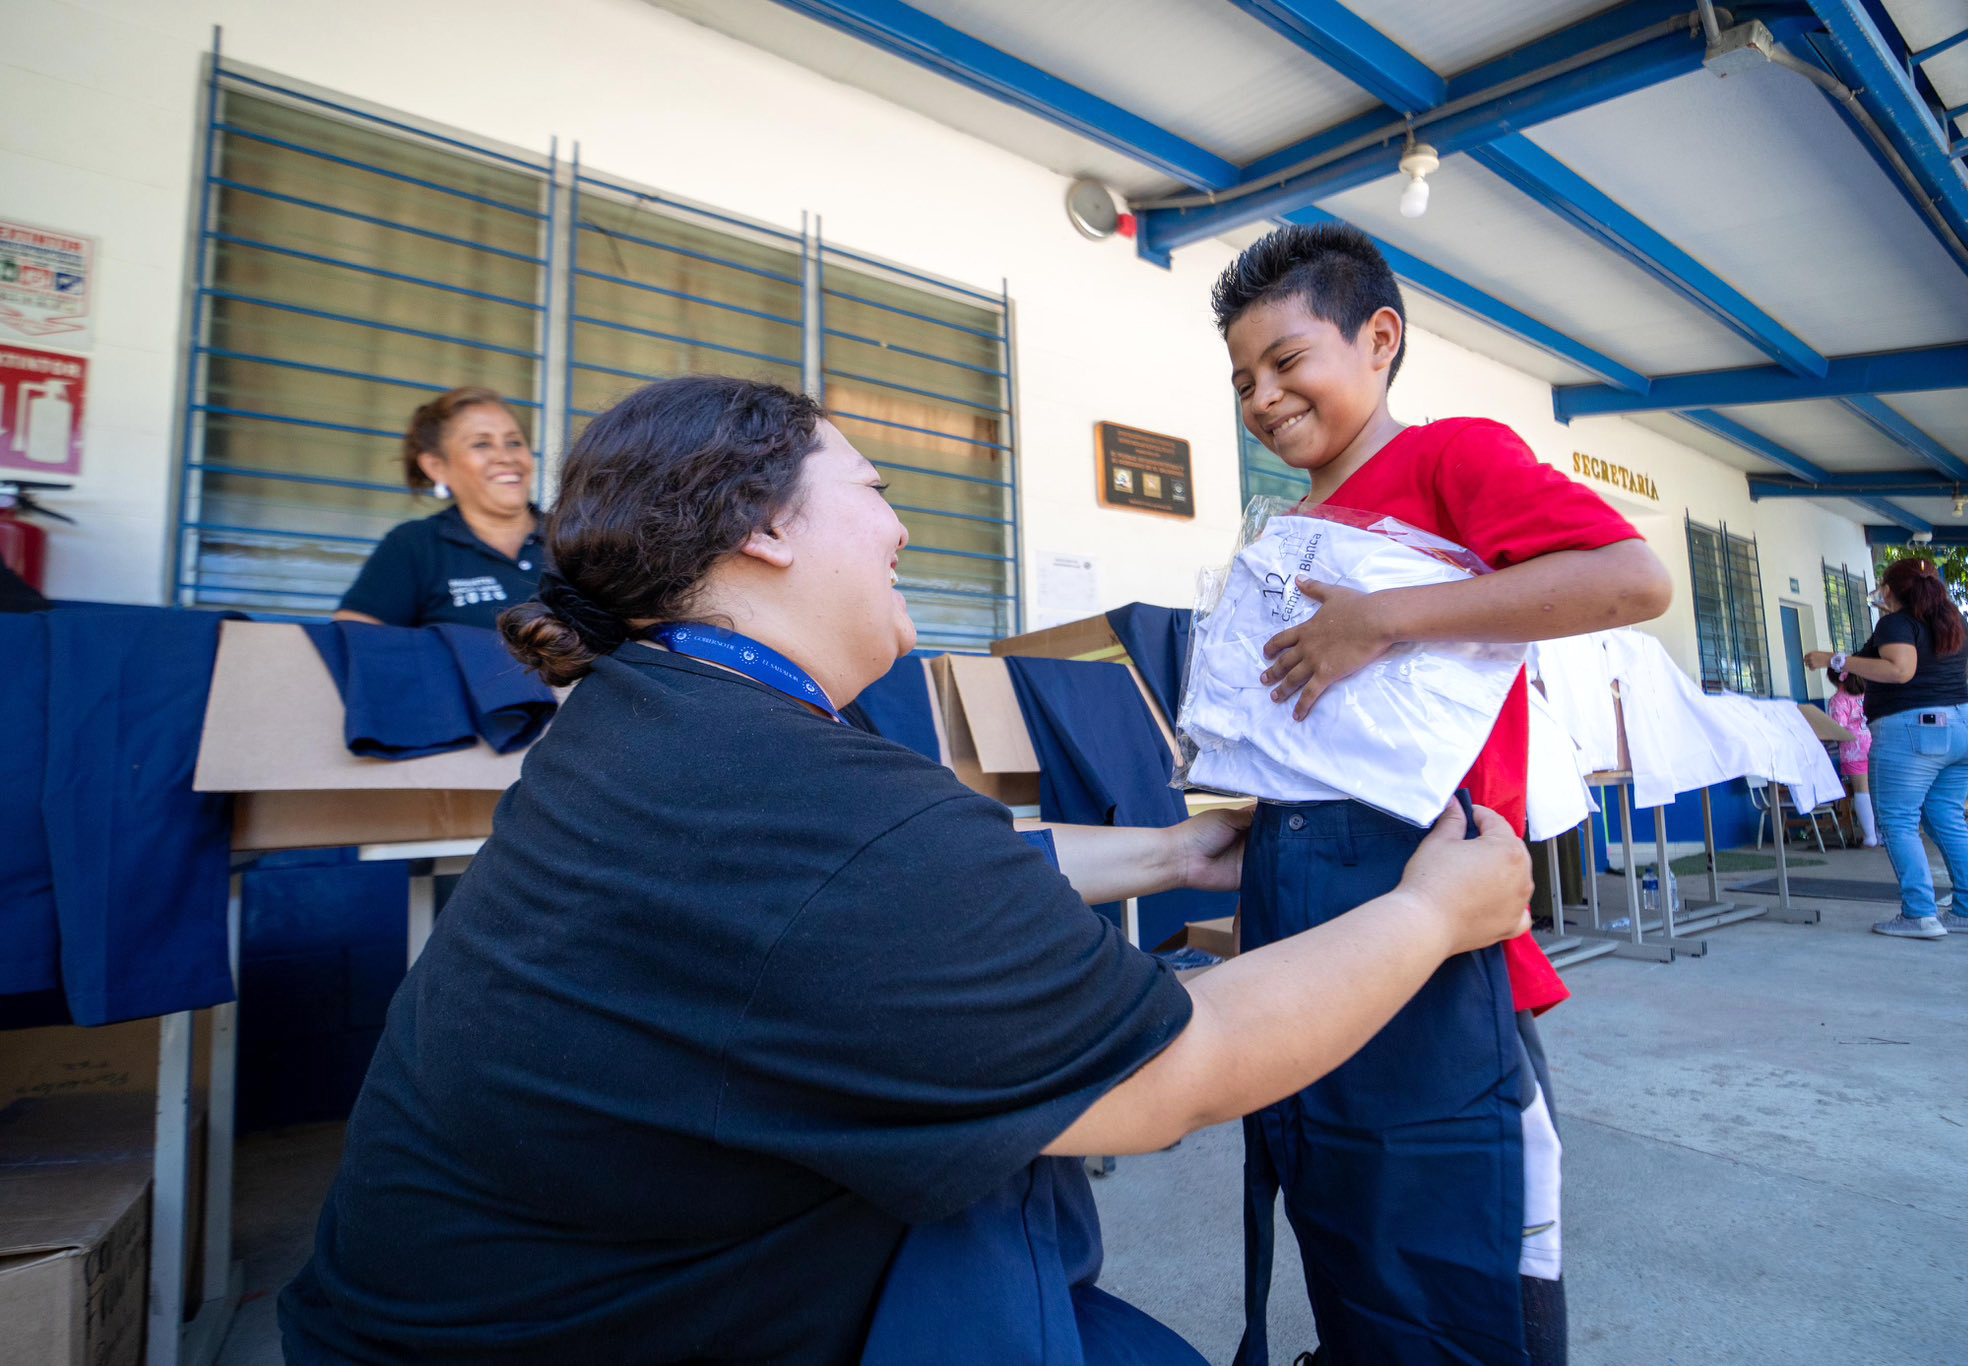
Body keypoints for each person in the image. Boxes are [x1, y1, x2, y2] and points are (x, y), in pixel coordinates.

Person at [275, 375, 1535, 1365]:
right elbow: (1175, 1072)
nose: (900, 526)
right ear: (765, 525)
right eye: (872, 489)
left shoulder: (651, 721)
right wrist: (1432, 914)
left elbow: (903, 891)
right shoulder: (803, 804)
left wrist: (1169, 850)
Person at [1214, 222, 1673, 1366]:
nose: (1261, 398)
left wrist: (1383, 618)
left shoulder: (1446, 460)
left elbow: (1630, 578)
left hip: (1437, 909)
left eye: (1285, 361)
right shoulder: (1289, 531)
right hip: (1305, 905)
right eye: (1241, 379)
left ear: (1379, 339)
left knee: (1461, 1228)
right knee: (1335, 1195)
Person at [1805, 558, 1968, 937]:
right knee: (1946, 818)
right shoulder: (1952, 621)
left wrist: (1834, 659)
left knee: (1897, 822)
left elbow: (1900, 670)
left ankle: (1919, 914)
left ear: (1890, 588)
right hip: (1965, 726)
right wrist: (1886, 616)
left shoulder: (1897, 624)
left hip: (1915, 731)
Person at [333, 386, 548, 628]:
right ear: (437, 467)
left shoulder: (573, 538)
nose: (506, 457)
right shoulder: (413, 545)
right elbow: (353, 639)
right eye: (481, 444)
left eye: (514, 442)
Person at [1825, 665, 1880, 847]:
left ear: (1834, 678)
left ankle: (1870, 836)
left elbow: (1837, 728)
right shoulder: (1867, 695)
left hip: (1853, 749)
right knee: (1878, 791)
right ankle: (1882, 833)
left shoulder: (1838, 700)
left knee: (1861, 791)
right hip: (1875, 743)